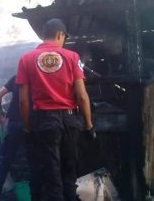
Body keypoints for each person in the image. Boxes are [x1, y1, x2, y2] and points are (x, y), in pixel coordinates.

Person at [16, 18, 96, 201]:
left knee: (51, 176)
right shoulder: (72, 57)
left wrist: (27, 128)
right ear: (60, 35)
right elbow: (82, 96)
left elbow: (22, 101)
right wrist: (89, 125)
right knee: (69, 174)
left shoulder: (26, 59)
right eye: (64, 38)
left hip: (44, 122)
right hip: (69, 121)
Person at [0, 75, 39, 201]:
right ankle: (35, 196)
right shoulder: (39, 78)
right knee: (35, 163)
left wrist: (0, 111)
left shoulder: (17, 77)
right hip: (32, 125)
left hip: (14, 124)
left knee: (4, 162)